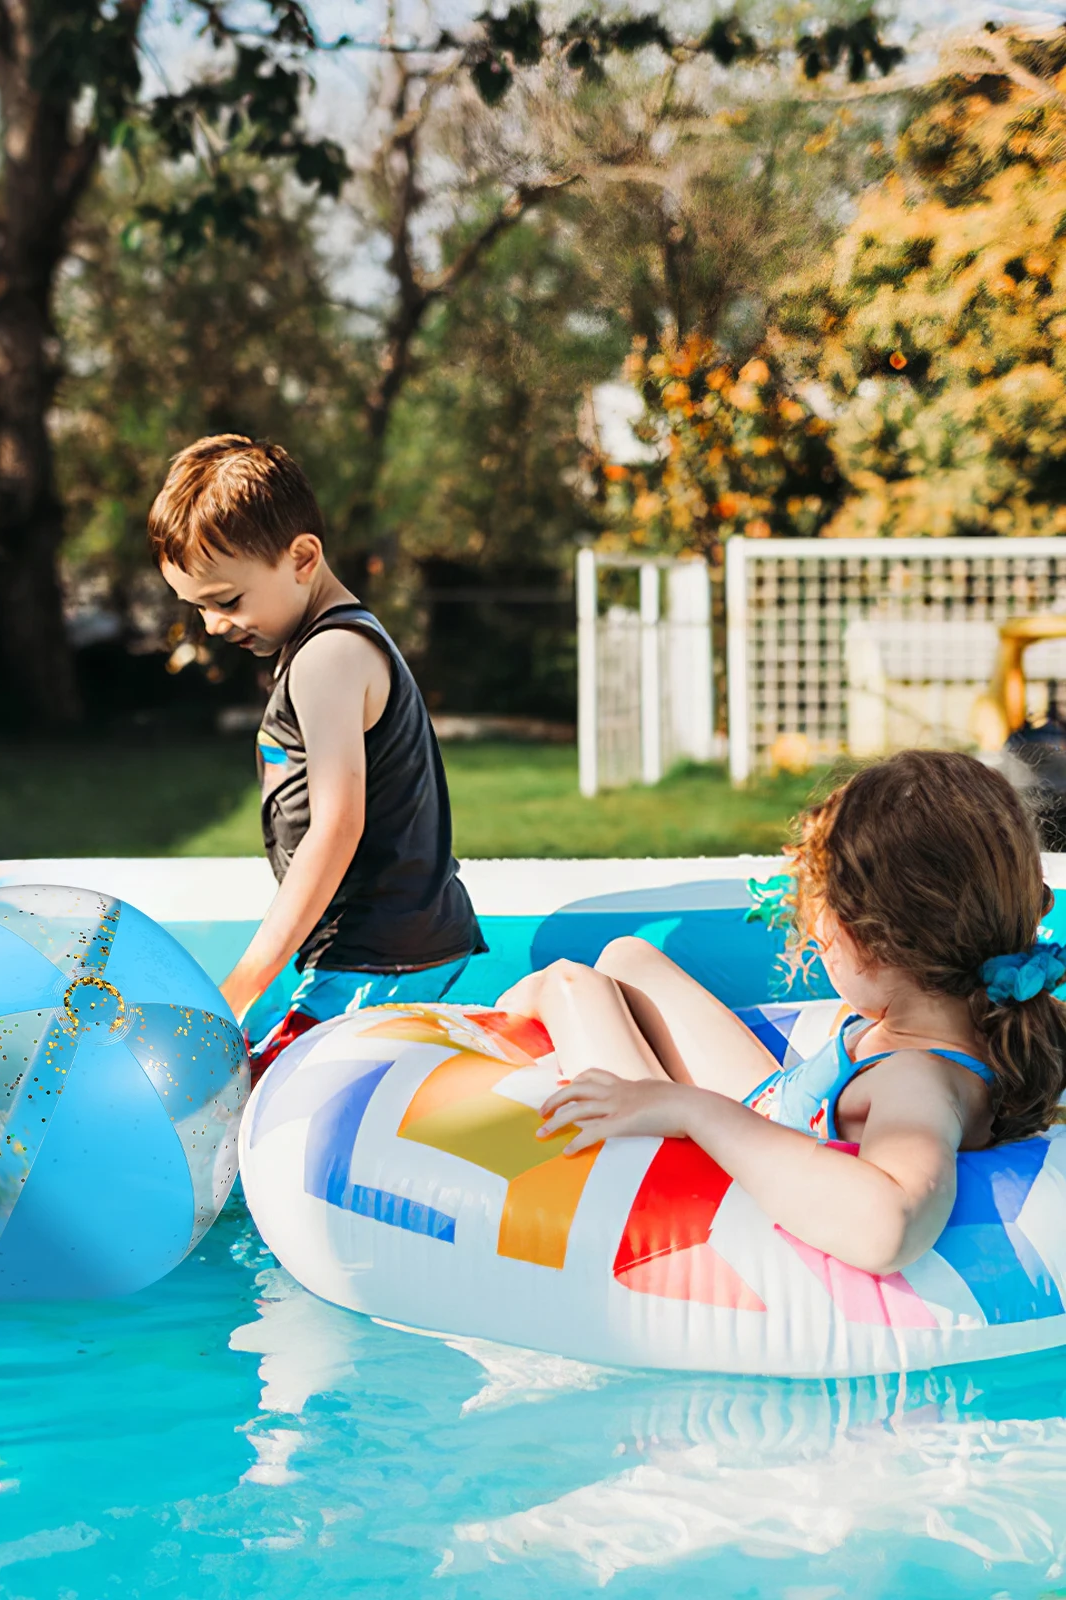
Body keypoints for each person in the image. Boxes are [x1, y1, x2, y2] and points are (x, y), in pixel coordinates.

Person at [500, 749, 1066, 1276]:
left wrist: (690, 1110)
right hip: (775, 1106)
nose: (814, 931)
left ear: (876, 939)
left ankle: (493, 1031)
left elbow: (886, 1227)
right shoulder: (981, 1011)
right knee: (627, 957)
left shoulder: (917, 1081)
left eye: (821, 909)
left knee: (571, 985)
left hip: (704, 1166)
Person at [148, 434, 484, 1073]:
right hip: (388, 945)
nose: (215, 625)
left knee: (244, 1096)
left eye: (227, 601)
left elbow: (336, 827)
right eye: (199, 608)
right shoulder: (336, 643)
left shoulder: (328, 657)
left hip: (375, 954)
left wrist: (243, 982)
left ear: (302, 558)